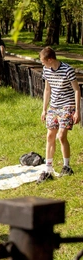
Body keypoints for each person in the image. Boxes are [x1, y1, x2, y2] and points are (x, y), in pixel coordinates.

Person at [37, 46, 81, 183]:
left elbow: (77, 90)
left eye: (43, 61)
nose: (42, 64)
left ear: (50, 59)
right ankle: (48, 167)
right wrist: (44, 109)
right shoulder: (46, 70)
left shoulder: (67, 70)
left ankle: (66, 166)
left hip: (67, 104)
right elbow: (47, 89)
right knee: (50, 135)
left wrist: (77, 110)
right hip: (54, 106)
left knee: (61, 136)